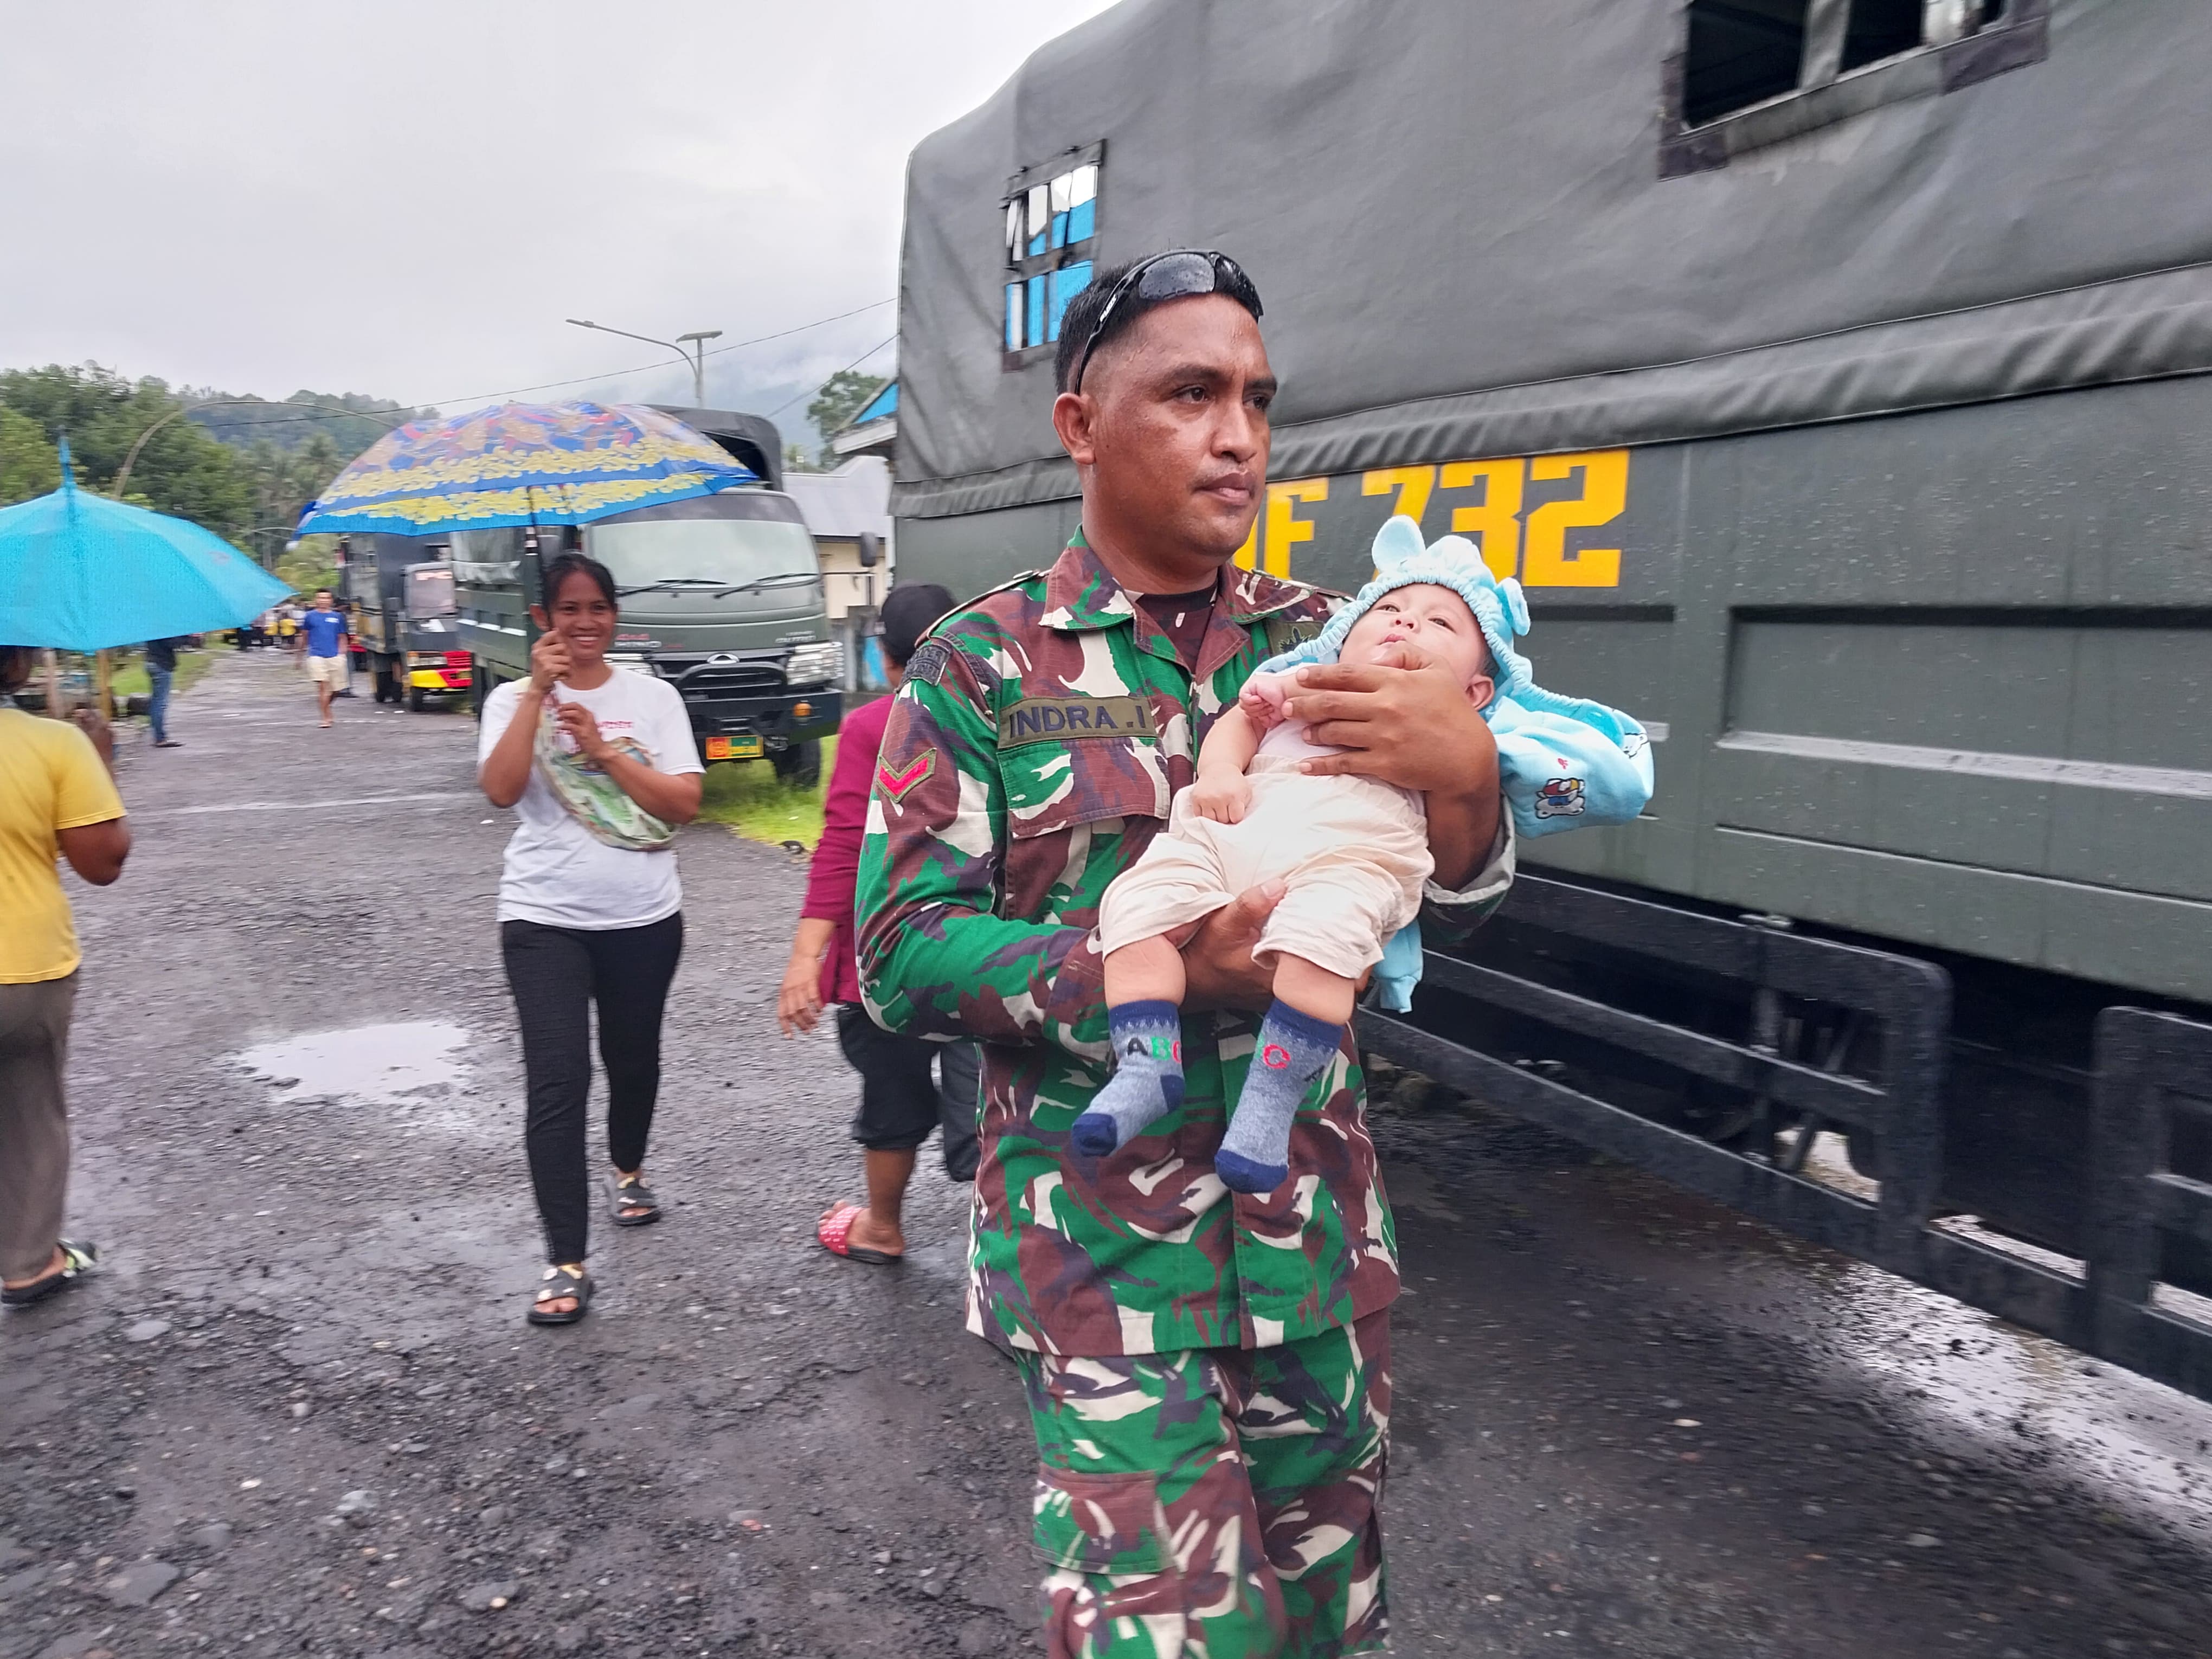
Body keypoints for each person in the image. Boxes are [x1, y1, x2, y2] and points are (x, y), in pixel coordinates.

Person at [856, 251, 1515, 1657]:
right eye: (1194, 394)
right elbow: (900, 949)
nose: (1240, 437)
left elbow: (1437, 881)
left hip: (1311, 1255)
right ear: (1084, 425)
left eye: (1260, 401)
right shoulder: (984, 666)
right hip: (1098, 1260)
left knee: (1329, 1622)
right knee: (1173, 1640)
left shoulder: (1328, 641)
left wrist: (1470, 780)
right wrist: (1145, 964)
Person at [1082, 518, 1651, 1188]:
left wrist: (1469, 758)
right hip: (1227, 835)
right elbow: (1243, 720)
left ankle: (1271, 1099)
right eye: (1387, 609)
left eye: (1442, 625)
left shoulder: (1478, 735)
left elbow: (1612, 783)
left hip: (1347, 862)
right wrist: (1221, 775)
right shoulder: (1303, 684)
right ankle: (1145, 1066)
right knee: (1135, 906)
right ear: (1342, 637)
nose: (1406, 625)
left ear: (1476, 693)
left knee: (1324, 946)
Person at [477, 551, 704, 1326]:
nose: (583, 623)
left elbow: (683, 806)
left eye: (596, 608)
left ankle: (629, 1169)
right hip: (542, 919)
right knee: (558, 1079)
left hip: (644, 918)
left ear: (614, 616)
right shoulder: (512, 699)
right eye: (567, 609)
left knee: (632, 1059)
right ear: (542, 619)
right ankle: (564, 1261)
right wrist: (539, 696)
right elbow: (502, 790)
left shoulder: (653, 699)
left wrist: (604, 751)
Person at [777, 583, 982, 1266]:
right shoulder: (996, 715)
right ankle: (1016, 1262)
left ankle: (882, 1229)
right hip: (987, 947)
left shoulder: (871, 728)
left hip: (888, 953)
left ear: (886, 660)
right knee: (995, 1102)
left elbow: (842, 848)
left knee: (890, 1089)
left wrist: (806, 960)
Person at [1, 647, 130, 1308]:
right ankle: (29, 1262)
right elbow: (103, 862)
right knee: (28, 1111)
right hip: (20, 971)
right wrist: (98, 758)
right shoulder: (53, 744)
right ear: (17, 665)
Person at [300, 590, 349, 726]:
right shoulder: (310, 616)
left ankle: (327, 705)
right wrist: (300, 654)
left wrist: (342, 653)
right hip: (316, 655)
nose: (323, 600)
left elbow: (342, 637)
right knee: (322, 686)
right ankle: (325, 718)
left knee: (337, 689)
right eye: (321, 598)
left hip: (335, 656)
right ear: (316, 600)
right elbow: (304, 635)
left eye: (326, 598)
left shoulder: (337, 617)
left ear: (331, 600)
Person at [143, 635, 187, 749]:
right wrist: (186, 637)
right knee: (160, 702)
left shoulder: (153, 626)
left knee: (156, 700)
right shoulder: (163, 628)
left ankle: (158, 734)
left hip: (151, 661)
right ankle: (160, 738)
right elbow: (171, 643)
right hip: (161, 664)